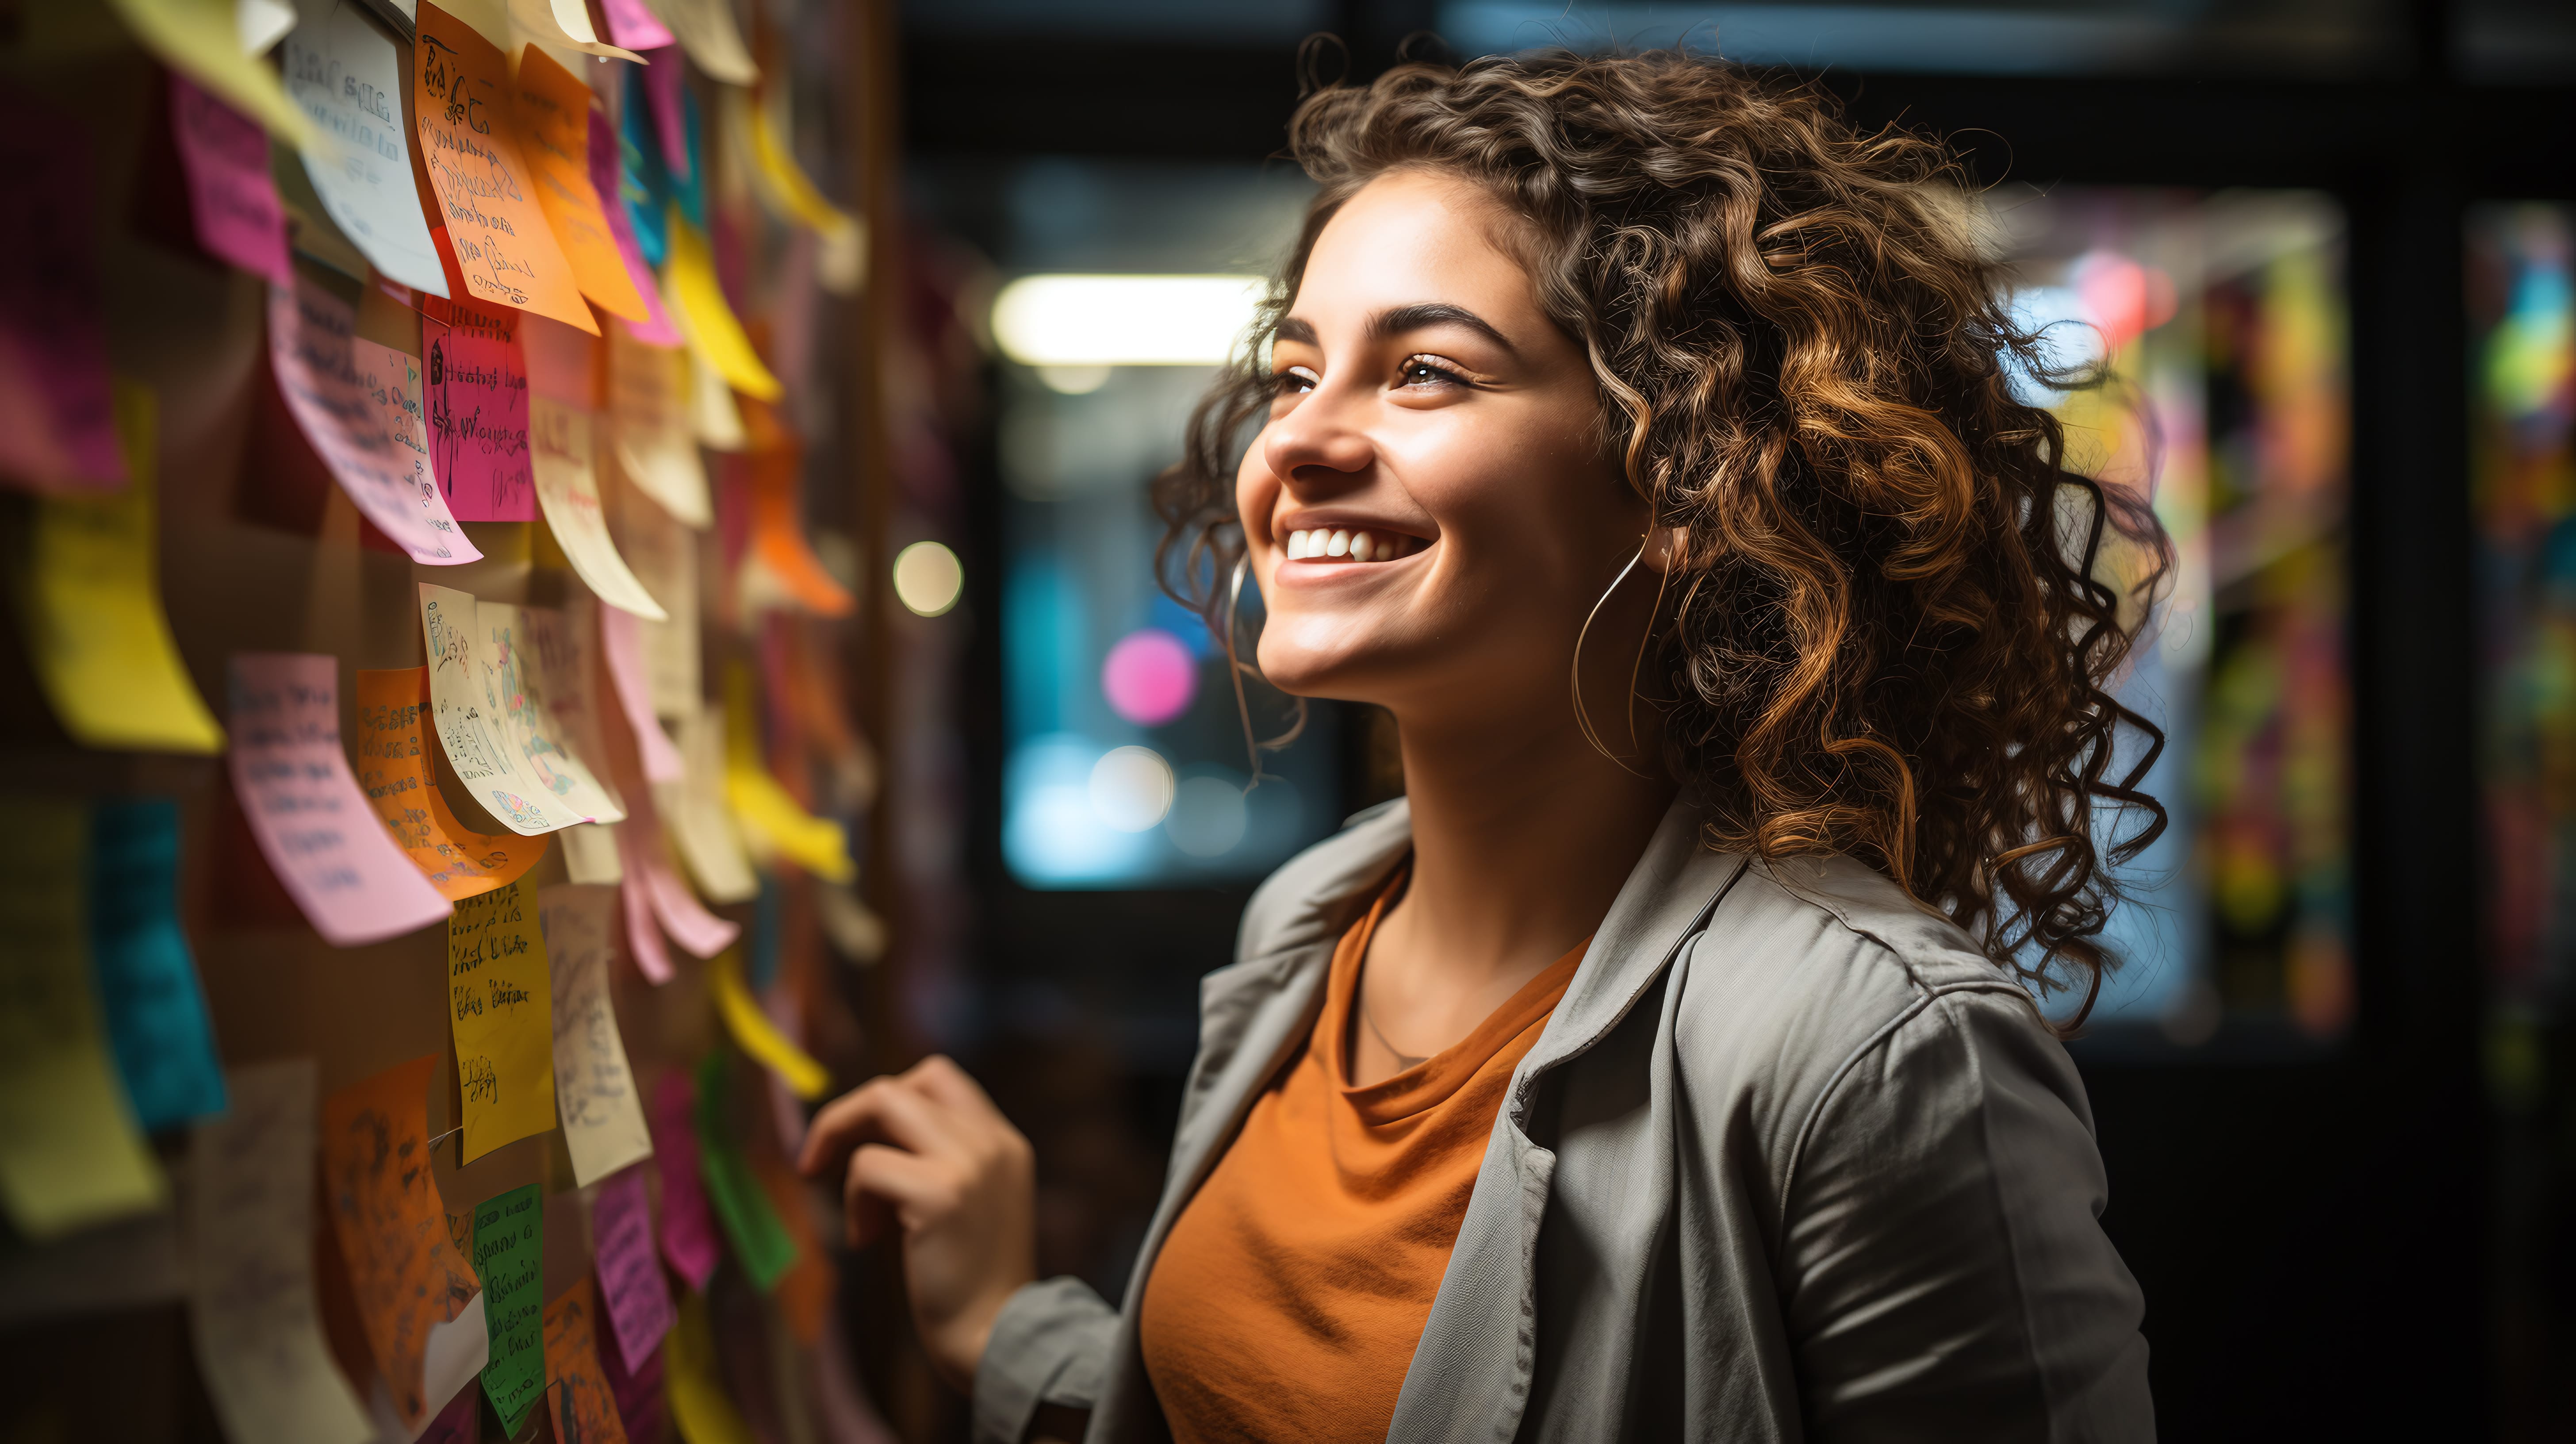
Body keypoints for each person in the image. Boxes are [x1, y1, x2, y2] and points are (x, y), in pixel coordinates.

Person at [801, 46, 2166, 1444]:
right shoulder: (1311, 927)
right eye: (1295, 373)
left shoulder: (1876, 1055)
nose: (1297, 444)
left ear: (1687, 476)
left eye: (1426, 373)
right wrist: (1008, 1332)